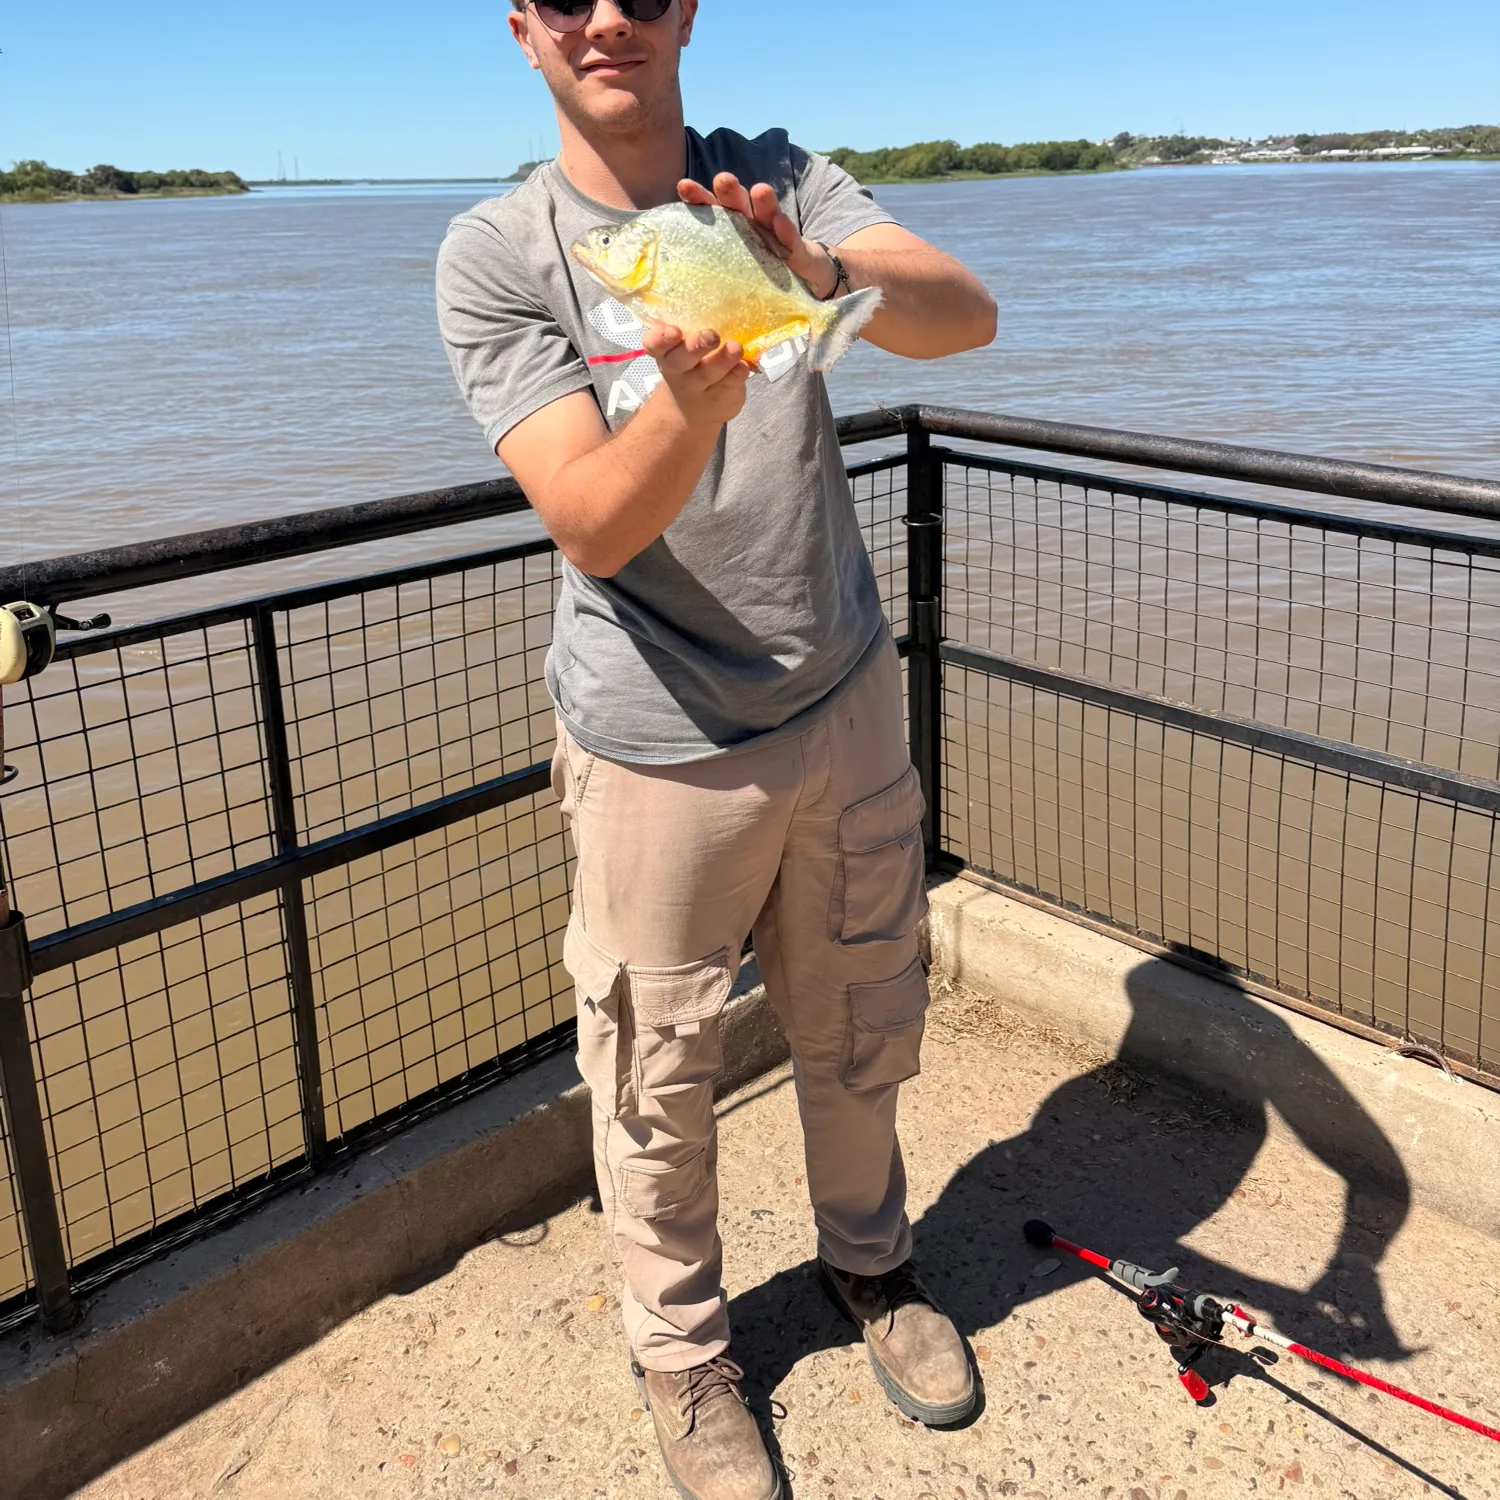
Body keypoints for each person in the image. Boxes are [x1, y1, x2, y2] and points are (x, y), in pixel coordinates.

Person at [437, 3, 996, 1495]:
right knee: (654, 1072)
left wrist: (807, 274)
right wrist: (689, 401)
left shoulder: (778, 181)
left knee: (865, 1009)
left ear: (687, 14)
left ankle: (871, 1267)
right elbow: (597, 521)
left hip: (847, 692)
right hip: (654, 742)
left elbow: (961, 313)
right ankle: (684, 1358)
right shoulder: (498, 255)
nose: (605, 17)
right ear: (524, 28)